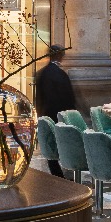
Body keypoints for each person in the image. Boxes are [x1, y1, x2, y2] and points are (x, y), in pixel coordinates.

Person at [34, 44, 76, 178]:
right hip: (58, 115)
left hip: (46, 114)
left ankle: (57, 173)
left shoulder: (42, 73)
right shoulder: (60, 74)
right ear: (59, 55)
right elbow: (67, 97)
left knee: (51, 145)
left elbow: (39, 98)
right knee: (63, 144)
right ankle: (62, 174)